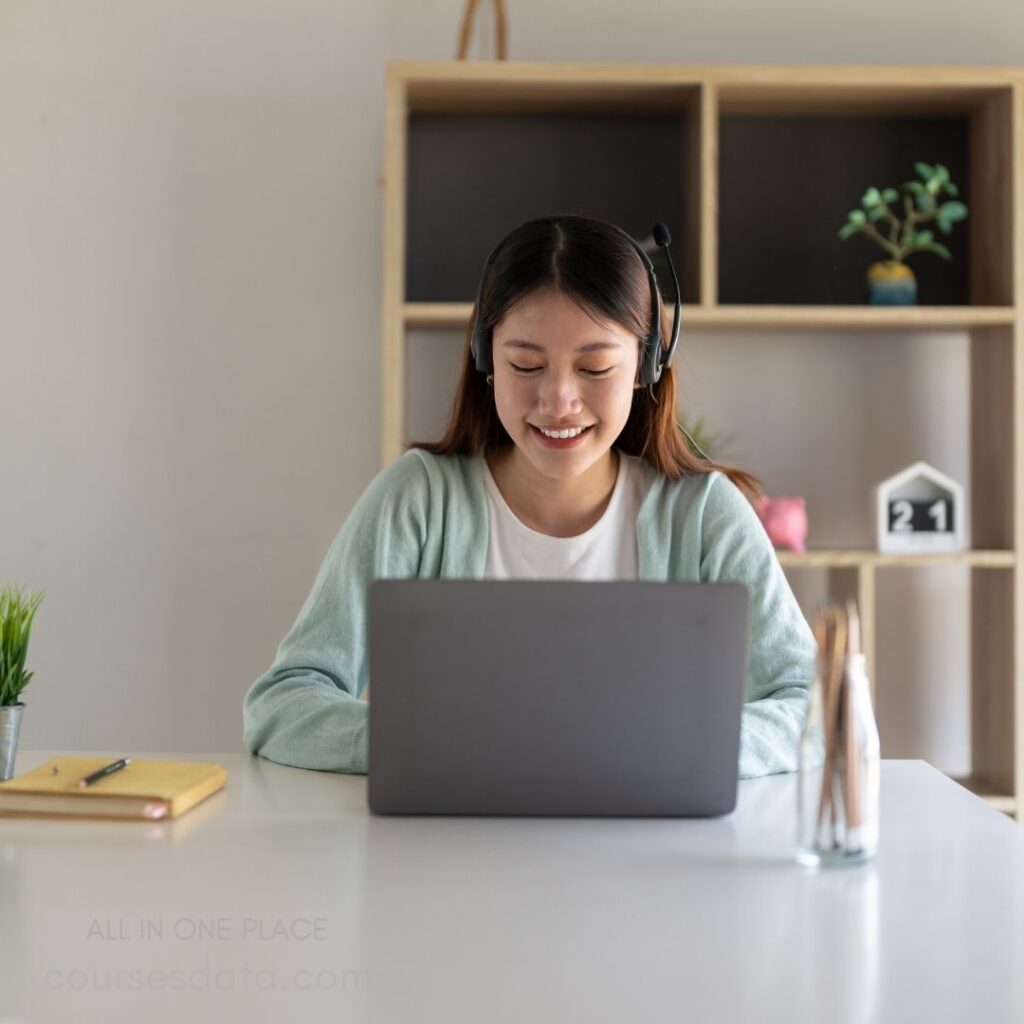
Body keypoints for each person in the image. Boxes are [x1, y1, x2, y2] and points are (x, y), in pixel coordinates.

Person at [243, 214, 817, 778]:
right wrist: (417, 742)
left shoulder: (703, 515)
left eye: (594, 367)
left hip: (651, 859)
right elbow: (282, 704)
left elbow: (815, 707)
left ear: (646, 367)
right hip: (447, 859)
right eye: (525, 364)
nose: (558, 399)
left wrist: (687, 747)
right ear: (484, 359)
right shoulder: (416, 500)